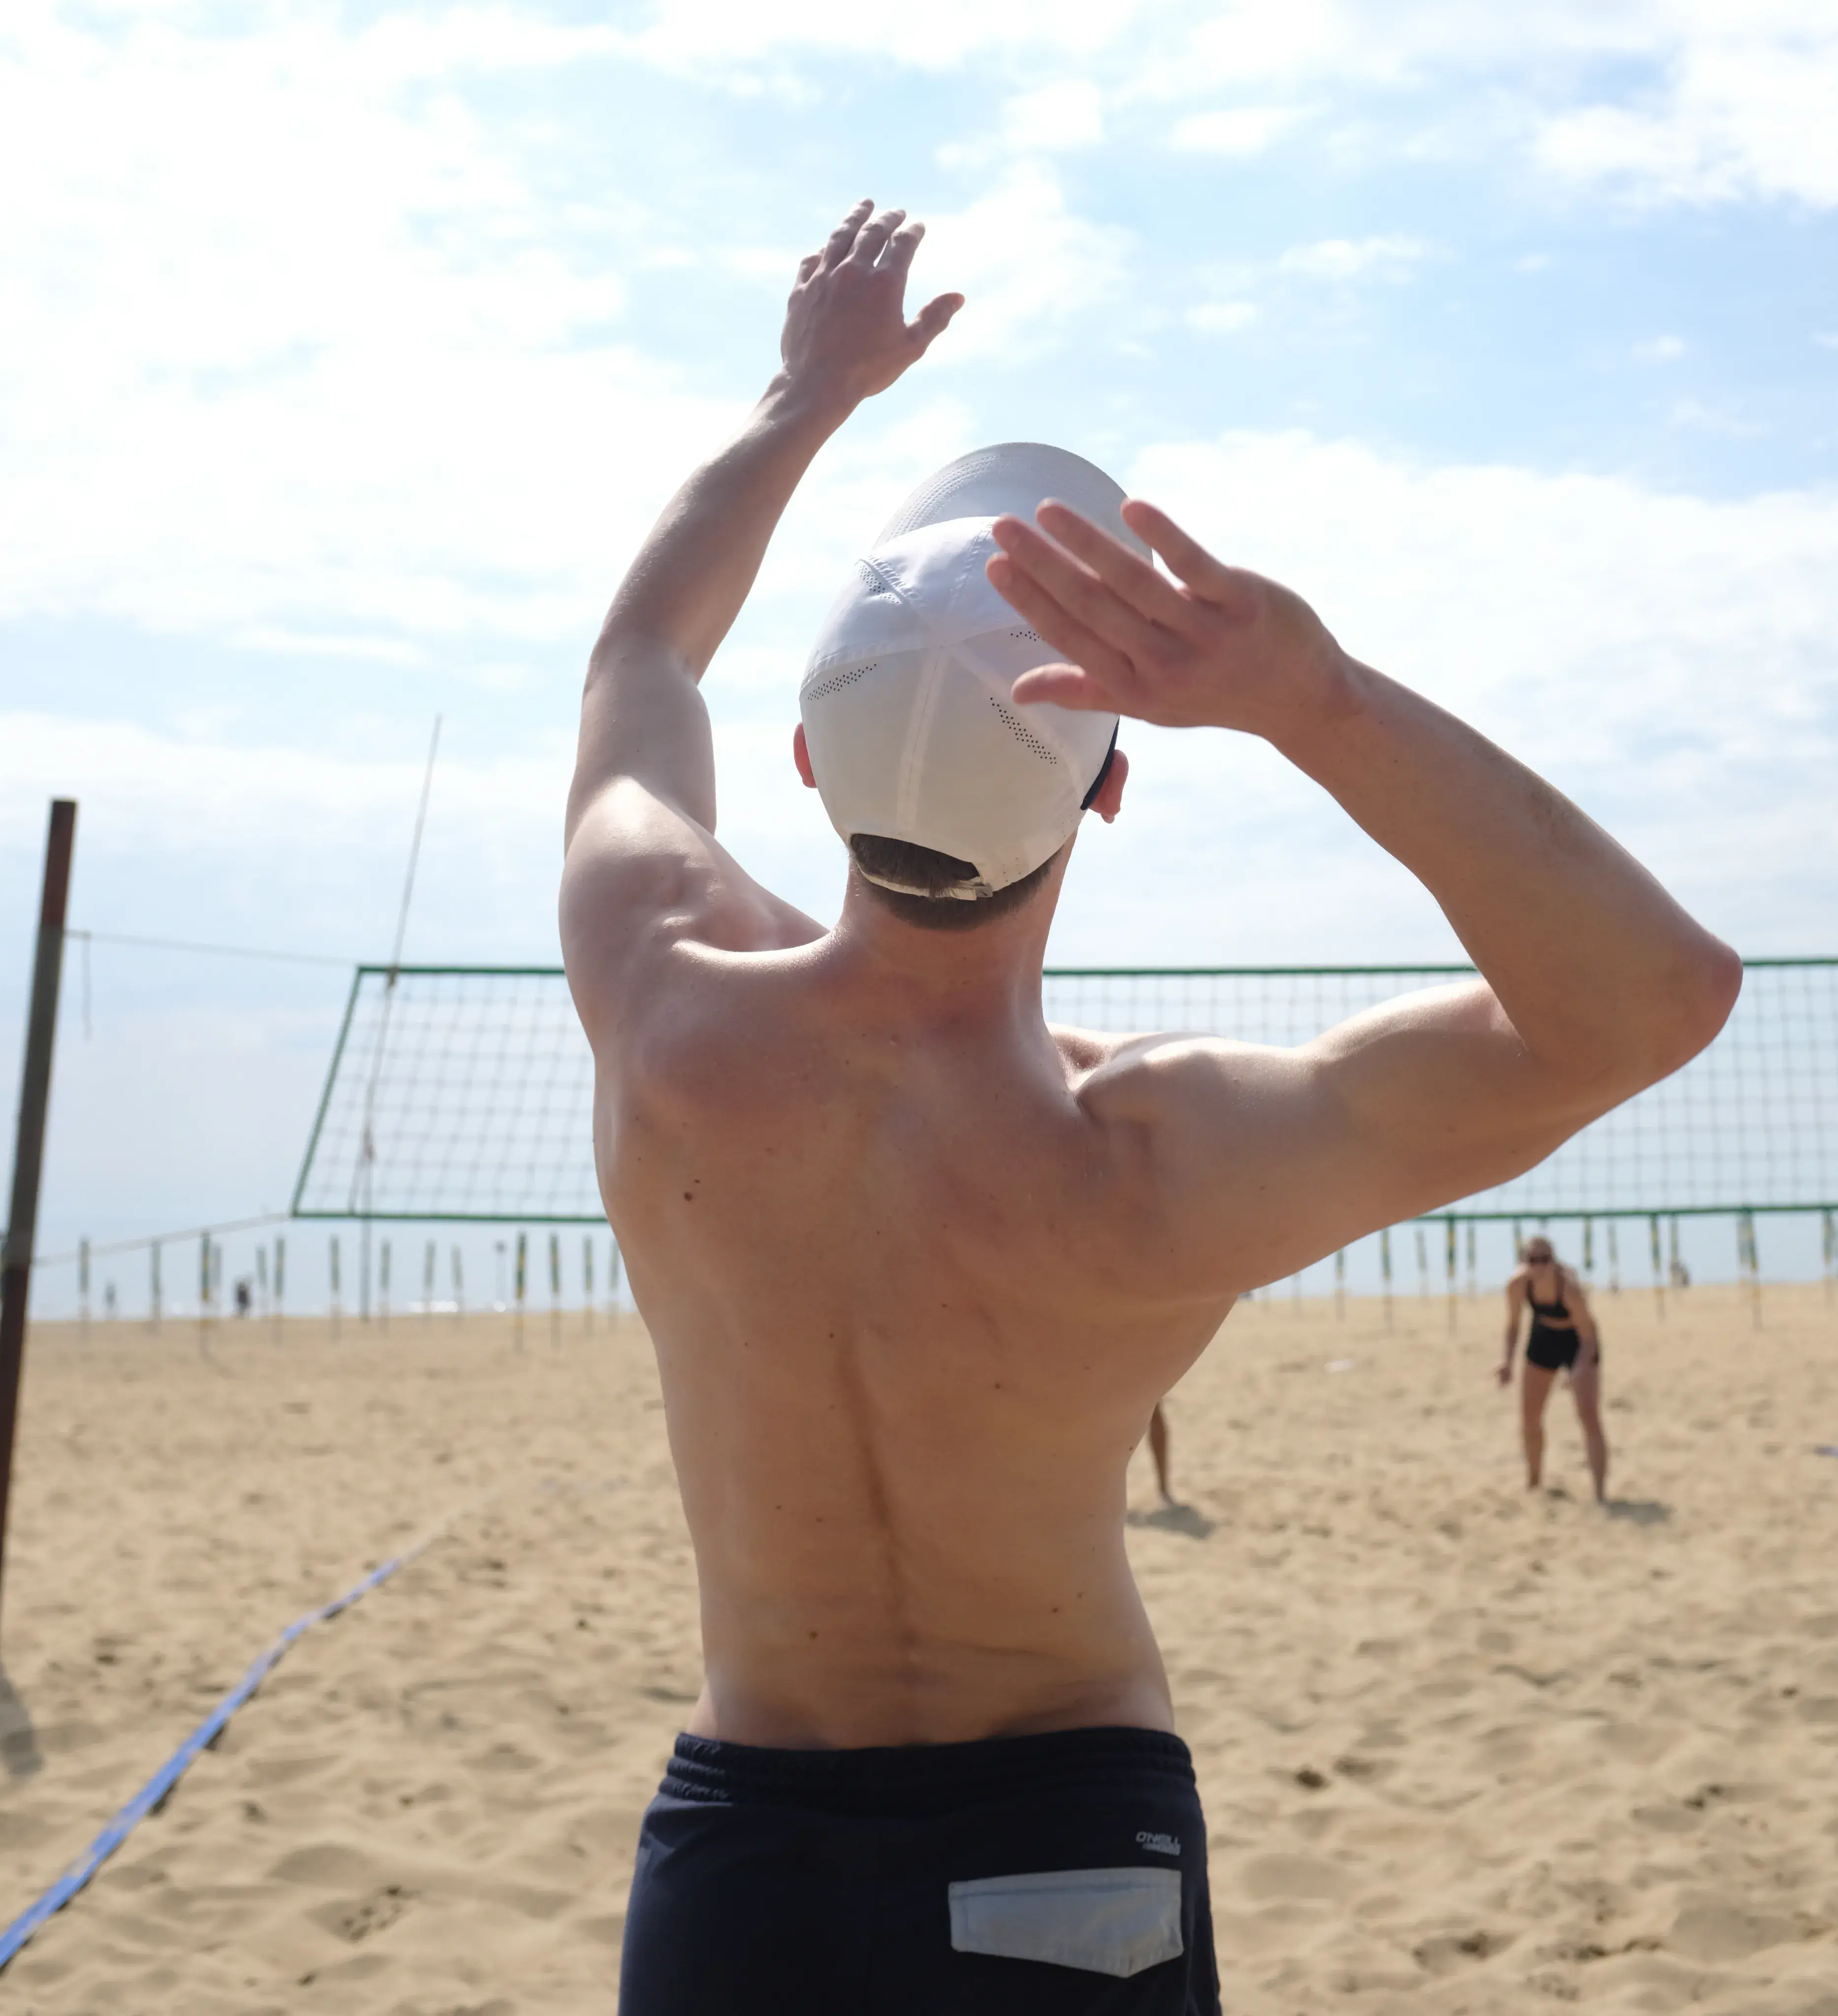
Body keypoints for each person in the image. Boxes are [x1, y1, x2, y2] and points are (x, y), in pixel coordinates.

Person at [559, 199, 1740, 2015]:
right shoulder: (1149, 1157)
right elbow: (1654, 998)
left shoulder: (660, 994)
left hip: (748, 1859)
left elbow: (640, 654)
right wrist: (1313, 699)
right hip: (1058, 1836)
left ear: (803, 764)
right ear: (1106, 792)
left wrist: (809, 393)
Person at [1497, 1236, 1608, 1501]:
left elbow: (1589, 1337)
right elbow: (1513, 1325)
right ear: (1523, 1263)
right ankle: (1534, 1485)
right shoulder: (1517, 1285)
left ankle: (1600, 1494)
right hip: (1543, 1337)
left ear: (1554, 1261)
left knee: (1588, 1416)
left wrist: (1578, 1371)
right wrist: (1507, 1362)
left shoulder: (1569, 1288)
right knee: (1530, 1419)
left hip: (1578, 1343)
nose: (1539, 1266)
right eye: (1532, 1260)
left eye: (1545, 1259)